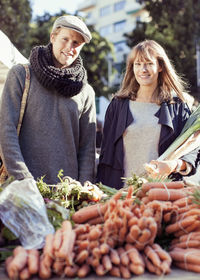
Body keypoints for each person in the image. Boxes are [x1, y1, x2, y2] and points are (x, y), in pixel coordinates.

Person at [0, 15, 96, 185]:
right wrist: (23, 179)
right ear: (53, 37)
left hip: (66, 193)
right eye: (65, 39)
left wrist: (83, 189)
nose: (69, 47)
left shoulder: (86, 92)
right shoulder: (21, 75)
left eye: (76, 43)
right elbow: (6, 129)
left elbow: (87, 148)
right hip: (23, 187)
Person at [96, 40, 199, 189]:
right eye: (137, 64)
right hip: (120, 195)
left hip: (161, 195)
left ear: (160, 67)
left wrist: (174, 165)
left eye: (149, 63)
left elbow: (192, 151)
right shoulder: (117, 106)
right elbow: (106, 155)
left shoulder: (177, 107)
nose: (142, 69)